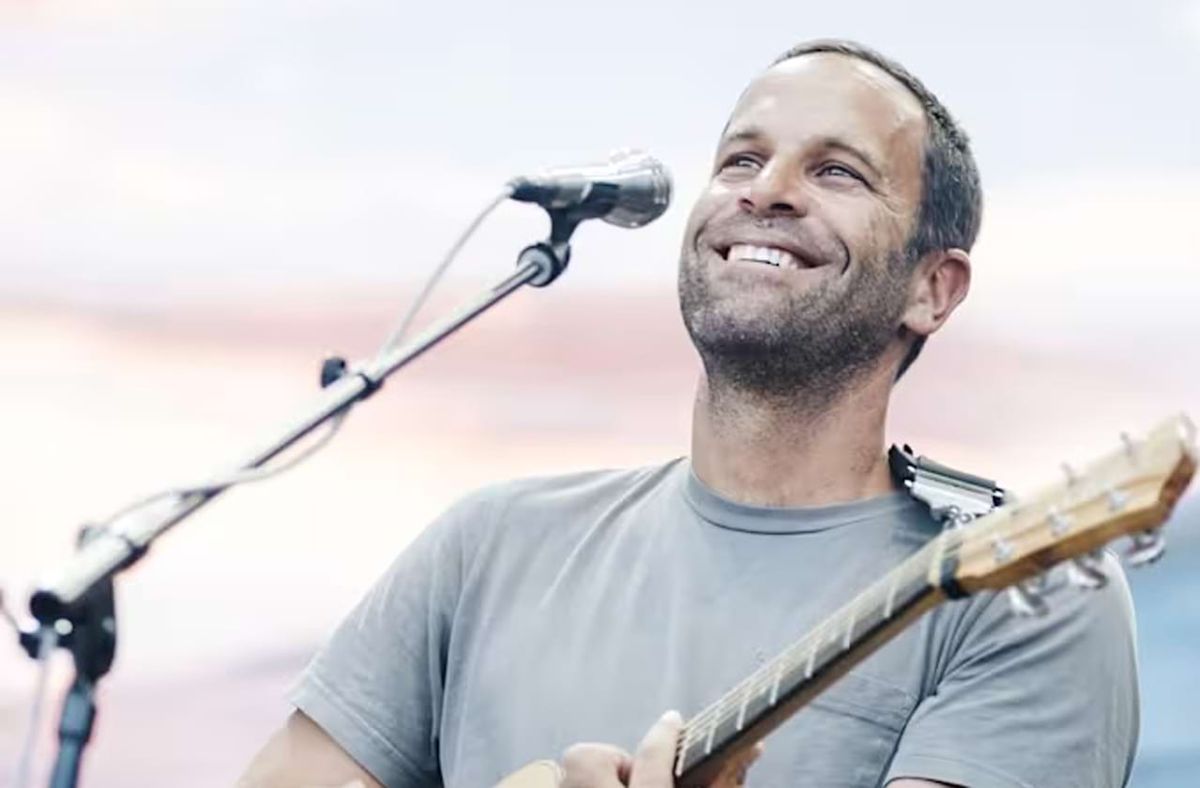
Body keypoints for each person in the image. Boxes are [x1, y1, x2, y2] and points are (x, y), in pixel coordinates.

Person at [238, 39, 1138, 787]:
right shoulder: (487, 548)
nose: (767, 189)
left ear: (932, 288)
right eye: (741, 159)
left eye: (836, 171)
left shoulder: (1026, 591)